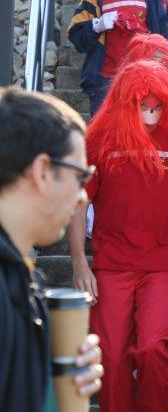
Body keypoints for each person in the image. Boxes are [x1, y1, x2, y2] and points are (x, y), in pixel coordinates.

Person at [68, 60, 168, 412]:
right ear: (125, 101)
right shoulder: (100, 140)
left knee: (154, 347)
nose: (151, 113)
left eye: (157, 105)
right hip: (112, 263)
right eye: (143, 105)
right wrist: (79, 265)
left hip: (162, 264)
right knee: (111, 354)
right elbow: (78, 203)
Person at [0, 87, 103, 410]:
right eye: (80, 177)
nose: (83, 197)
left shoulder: (20, 275)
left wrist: (52, 382)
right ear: (42, 171)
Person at [68, 0, 168, 114]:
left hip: (142, 79)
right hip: (104, 80)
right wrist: (96, 25)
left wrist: (156, 69)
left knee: (139, 130)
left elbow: (163, 41)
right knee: (105, 130)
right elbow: (76, 35)